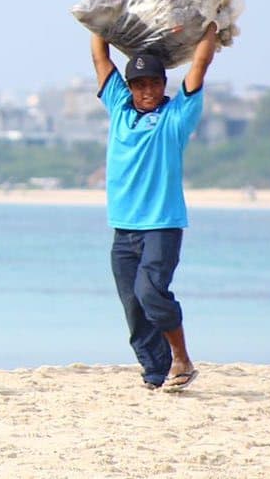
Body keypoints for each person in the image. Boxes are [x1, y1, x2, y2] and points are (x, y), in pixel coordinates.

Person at [91, 23, 218, 392]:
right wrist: (105, 21)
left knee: (151, 292)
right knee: (133, 305)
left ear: (164, 84)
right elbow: (100, 54)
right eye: (139, 84)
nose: (147, 91)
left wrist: (210, 24)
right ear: (129, 88)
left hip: (162, 226)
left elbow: (200, 64)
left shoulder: (176, 116)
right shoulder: (118, 106)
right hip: (123, 228)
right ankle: (155, 373)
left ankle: (182, 358)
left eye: (154, 83)